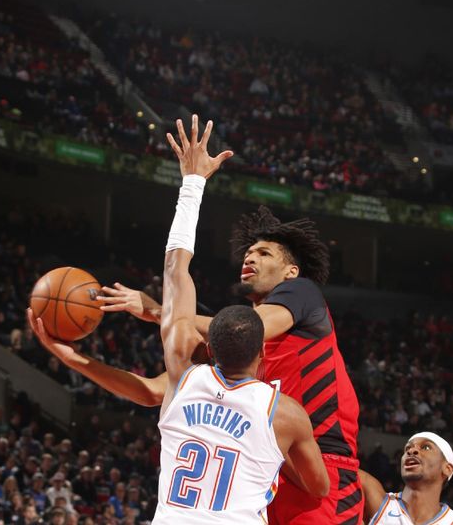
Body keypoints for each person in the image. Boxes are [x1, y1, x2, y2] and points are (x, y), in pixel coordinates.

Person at [30, 117, 329, 523]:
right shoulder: (287, 413)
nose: (250, 258)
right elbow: (319, 486)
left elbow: (175, 269)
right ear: (260, 351)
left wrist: (72, 357)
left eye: (263, 254)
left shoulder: (185, 378)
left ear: (209, 346)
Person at [100, 114, 362, 524]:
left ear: (291, 270)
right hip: (267, 460)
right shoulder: (239, 351)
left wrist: (159, 311)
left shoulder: (300, 293)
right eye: (248, 252)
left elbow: (237, 325)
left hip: (322, 463)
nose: (250, 257)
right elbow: (156, 390)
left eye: (264, 254)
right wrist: (73, 358)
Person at [358, 432, 453, 525]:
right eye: (407, 448)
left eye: (426, 447)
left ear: (447, 468)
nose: (411, 450)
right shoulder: (375, 500)